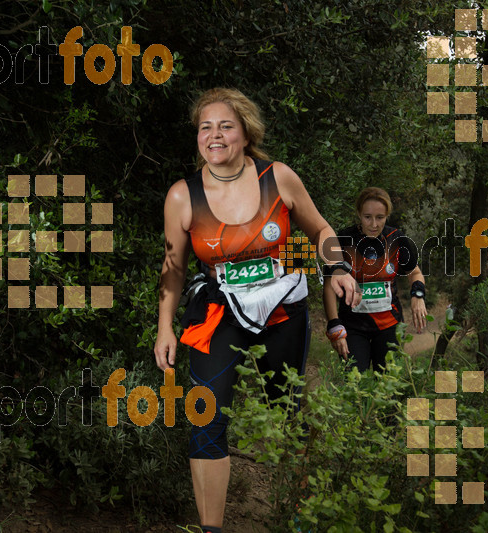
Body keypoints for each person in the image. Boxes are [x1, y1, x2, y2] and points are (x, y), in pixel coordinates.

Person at [154, 88, 359, 533]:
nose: (215, 135)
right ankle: (212, 529)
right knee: (205, 415)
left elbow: (321, 226)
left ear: (246, 133)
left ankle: (299, 517)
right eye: (205, 127)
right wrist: (164, 327)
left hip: (283, 309)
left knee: (287, 413)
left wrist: (338, 266)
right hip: (218, 313)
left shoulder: (278, 177)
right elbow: (173, 267)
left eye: (225, 125)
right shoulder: (182, 197)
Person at [323, 187, 427, 374]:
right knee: (354, 388)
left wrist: (417, 295)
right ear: (359, 214)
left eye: (380, 217)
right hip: (352, 327)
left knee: (388, 388)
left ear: (387, 215)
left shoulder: (396, 239)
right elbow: (330, 287)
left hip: (389, 325)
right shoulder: (344, 240)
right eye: (367, 217)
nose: (373, 224)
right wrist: (334, 324)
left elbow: (415, 273)